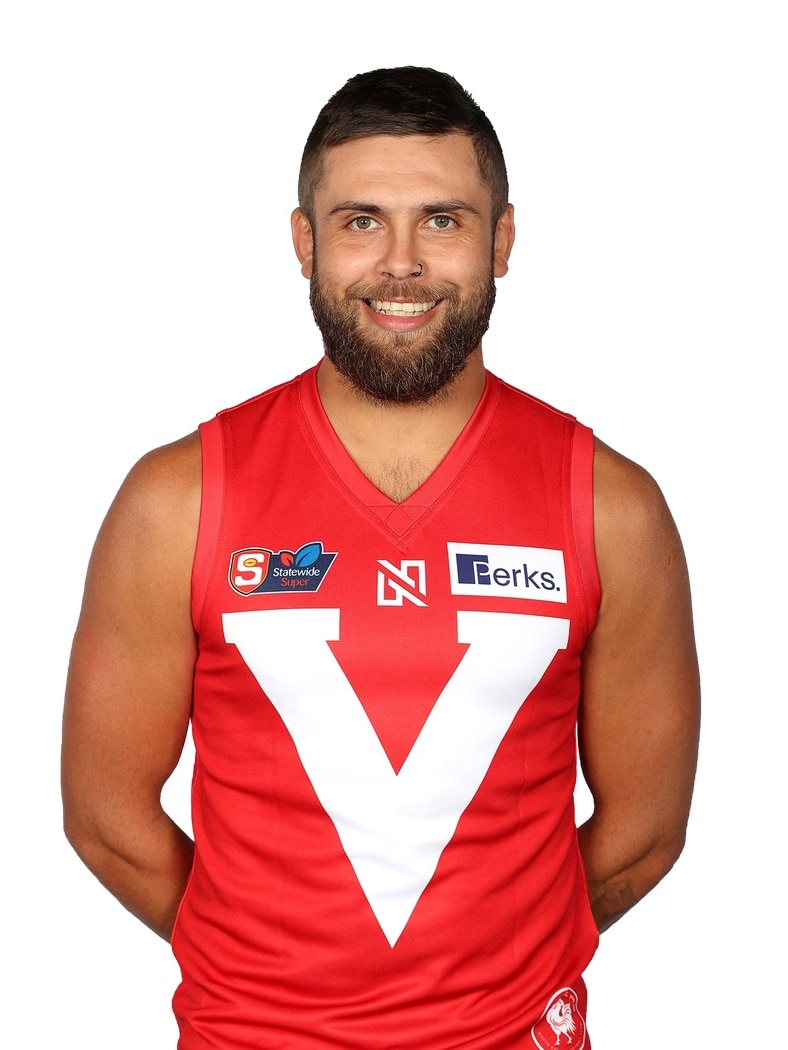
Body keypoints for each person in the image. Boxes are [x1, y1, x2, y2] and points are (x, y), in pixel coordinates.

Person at [62, 66, 701, 1048]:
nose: (399, 263)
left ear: (500, 241)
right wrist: (265, 975)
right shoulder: (178, 500)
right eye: (360, 221)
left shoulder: (610, 506)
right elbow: (106, 818)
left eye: (441, 221)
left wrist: (499, 972)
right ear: (303, 242)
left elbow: (643, 833)